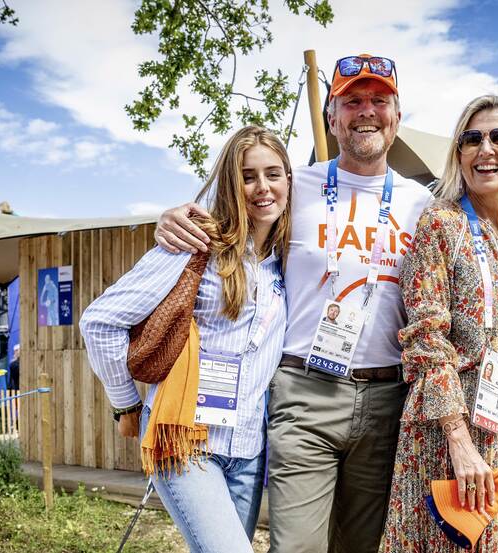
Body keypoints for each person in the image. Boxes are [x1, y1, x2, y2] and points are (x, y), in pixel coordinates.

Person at [154, 54, 433, 553]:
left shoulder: (422, 203)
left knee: (362, 546)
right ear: (332, 115)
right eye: (352, 101)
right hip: (304, 394)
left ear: (397, 115)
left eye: (378, 100)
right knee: (298, 546)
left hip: (387, 398)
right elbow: (228, 216)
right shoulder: (292, 186)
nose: (365, 111)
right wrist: (172, 216)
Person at [80, 126, 291, 553]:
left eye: (274, 174)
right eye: (248, 176)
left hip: (249, 451)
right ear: (230, 183)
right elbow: (99, 322)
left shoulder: (287, 260)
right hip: (186, 443)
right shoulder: (195, 245)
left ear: (290, 179)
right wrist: (126, 403)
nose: (262, 187)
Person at [381, 95, 498, 552]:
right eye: (472, 138)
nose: (486, 148)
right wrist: (459, 441)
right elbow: (426, 339)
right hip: (451, 421)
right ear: (459, 154)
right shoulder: (442, 223)